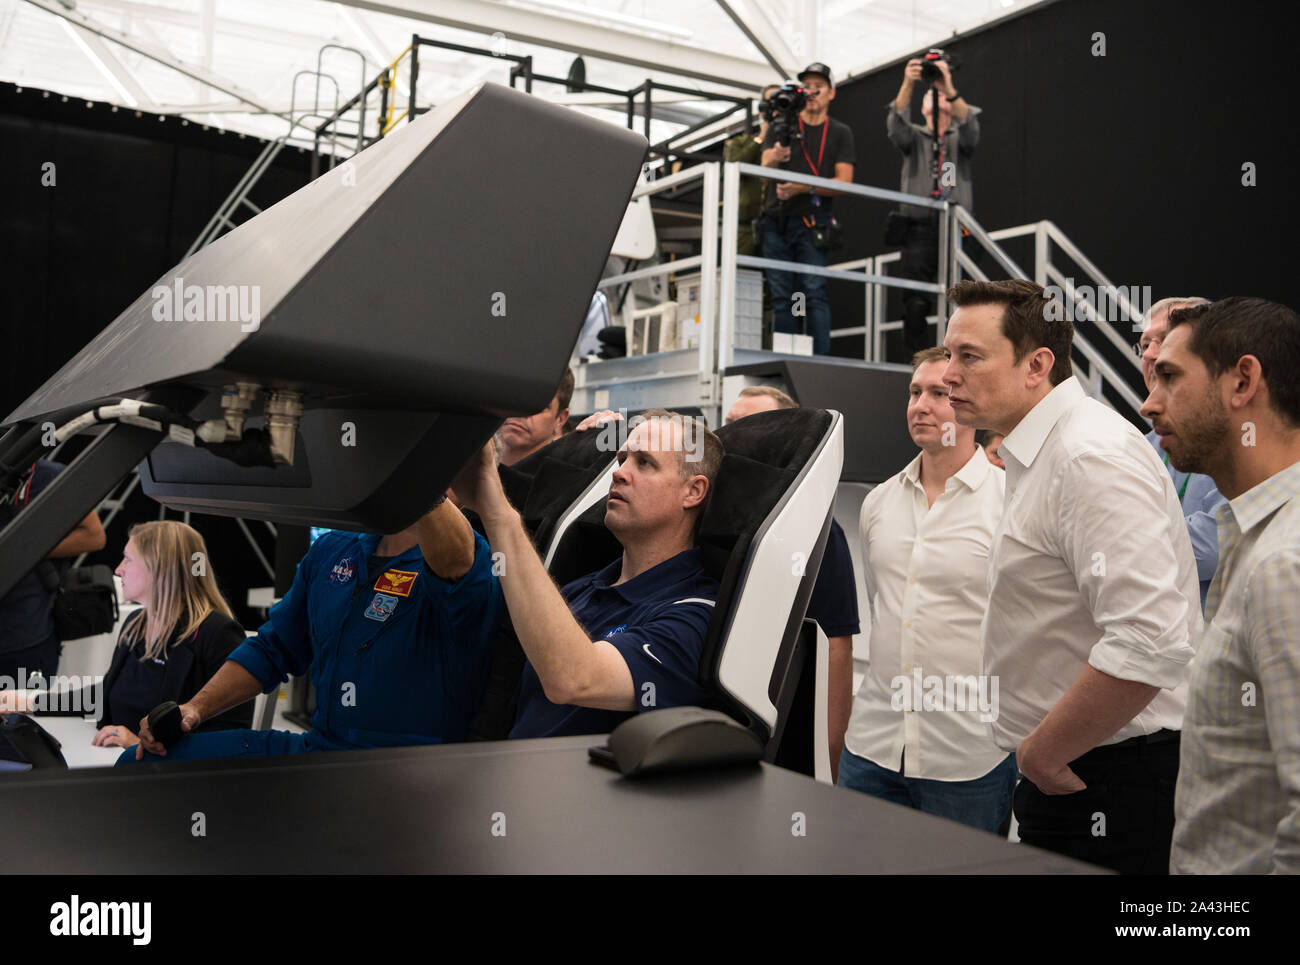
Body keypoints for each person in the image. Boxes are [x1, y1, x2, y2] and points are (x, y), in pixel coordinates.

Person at [942, 278, 1199, 874]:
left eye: (969, 357)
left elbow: (1150, 639)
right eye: (950, 352)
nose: (949, 373)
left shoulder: (1087, 457)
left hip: (1108, 776)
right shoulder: (1041, 451)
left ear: (1037, 365)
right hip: (1086, 767)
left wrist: (1042, 754)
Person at [124, 492, 502, 762]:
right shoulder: (333, 550)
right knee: (142, 763)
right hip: (322, 750)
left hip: (414, 771)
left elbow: (456, 555)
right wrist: (194, 709)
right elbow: (273, 649)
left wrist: (416, 475)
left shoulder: (470, 563)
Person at [1141, 297, 1300, 874]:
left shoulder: (1284, 563)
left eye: (1170, 377)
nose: (1149, 401)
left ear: (1243, 383)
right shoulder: (1253, 537)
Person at [452, 409, 724, 738]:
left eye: (644, 463)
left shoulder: (695, 615)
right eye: (622, 458)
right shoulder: (581, 588)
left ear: (693, 492)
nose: (619, 473)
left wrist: (497, 511)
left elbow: (573, 680)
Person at [839, 348, 1014, 831]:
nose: (921, 405)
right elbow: (884, 607)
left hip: (969, 753)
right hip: (873, 745)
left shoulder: (1011, 503)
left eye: (940, 393)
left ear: (973, 406)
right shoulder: (878, 503)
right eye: (916, 392)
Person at [725, 385, 860, 780]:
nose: (733, 436)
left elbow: (834, 646)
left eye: (752, 426)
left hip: (779, 734)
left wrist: (828, 758)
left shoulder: (815, 531)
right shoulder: (702, 512)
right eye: (731, 424)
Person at [27, 521, 253, 746]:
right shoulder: (135, 624)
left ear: (160, 568)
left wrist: (139, 746)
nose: (118, 569)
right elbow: (106, 693)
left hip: (170, 778)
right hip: (117, 765)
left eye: (128, 559)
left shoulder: (218, 634)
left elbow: (231, 737)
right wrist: (30, 702)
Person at [887, 54, 981, 358]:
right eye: (933, 94)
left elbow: (972, 130)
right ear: (924, 106)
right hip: (919, 229)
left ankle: (959, 358)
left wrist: (947, 85)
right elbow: (895, 125)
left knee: (964, 301)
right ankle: (920, 361)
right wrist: (909, 82)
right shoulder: (915, 138)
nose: (936, 95)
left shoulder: (958, 138)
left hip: (957, 228)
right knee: (915, 301)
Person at [759, 63, 855, 356]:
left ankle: (817, 360)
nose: (811, 92)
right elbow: (763, 173)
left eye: (818, 86)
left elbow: (844, 182)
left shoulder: (839, 132)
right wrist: (776, 156)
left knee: (812, 292)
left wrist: (803, 187)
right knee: (782, 296)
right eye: (807, 86)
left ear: (831, 93)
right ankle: (785, 357)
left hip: (813, 221)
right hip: (776, 221)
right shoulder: (781, 124)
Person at [1138, 296, 1227, 611]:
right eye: (1144, 343)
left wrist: (1126, 537)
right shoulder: (1137, 445)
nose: (1149, 353)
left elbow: (1214, 548)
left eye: (1161, 341)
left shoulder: (1235, 438)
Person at [0, 458, 106, 686]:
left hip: (24, 636)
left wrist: (21, 551)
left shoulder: (47, 476)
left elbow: (94, 536)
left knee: (19, 719)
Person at [725, 84, 782, 257]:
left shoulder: (786, 143)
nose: (774, 107)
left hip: (778, 224)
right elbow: (734, 164)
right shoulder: (740, 142)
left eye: (778, 101)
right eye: (769, 102)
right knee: (741, 276)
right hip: (745, 225)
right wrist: (760, 139)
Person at [496, 368, 574, 467]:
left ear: (560, 419)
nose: (521, 412)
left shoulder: (564, 478)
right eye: (515, 397)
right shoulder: (473, 460)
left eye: (538, 405)